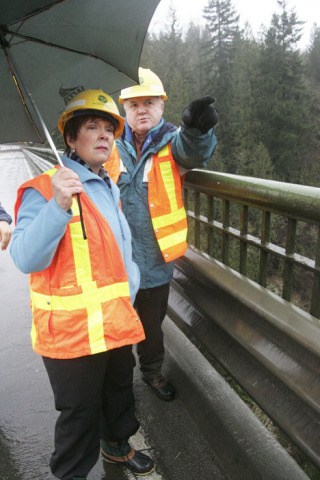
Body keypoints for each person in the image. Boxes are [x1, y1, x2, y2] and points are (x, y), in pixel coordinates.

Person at [10, 89, 155, 480]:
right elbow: (24, 257)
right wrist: (58, 204)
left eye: (109, 128)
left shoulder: (106, 184)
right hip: (72, 334)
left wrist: (133, 287)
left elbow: (118, 253)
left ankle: (117, 448)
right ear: (71, 139)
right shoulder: (46, 189)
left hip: (114, 321)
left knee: (117, 395)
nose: (105, 135)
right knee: (79, 413)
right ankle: (71, 473)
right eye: (92, 127)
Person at [105, 68, 218, 401]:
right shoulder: (109, 146)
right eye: (134, 104)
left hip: (155, 263)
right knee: (118, 326)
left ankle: (152, 372)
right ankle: (119, 381)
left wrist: (197, 128)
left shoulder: (172, 143)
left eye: (149, 102)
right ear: (124, 109)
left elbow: (195, 151)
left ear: (162, 107)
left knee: (151, 329)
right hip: (116, 263)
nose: (142, 109)